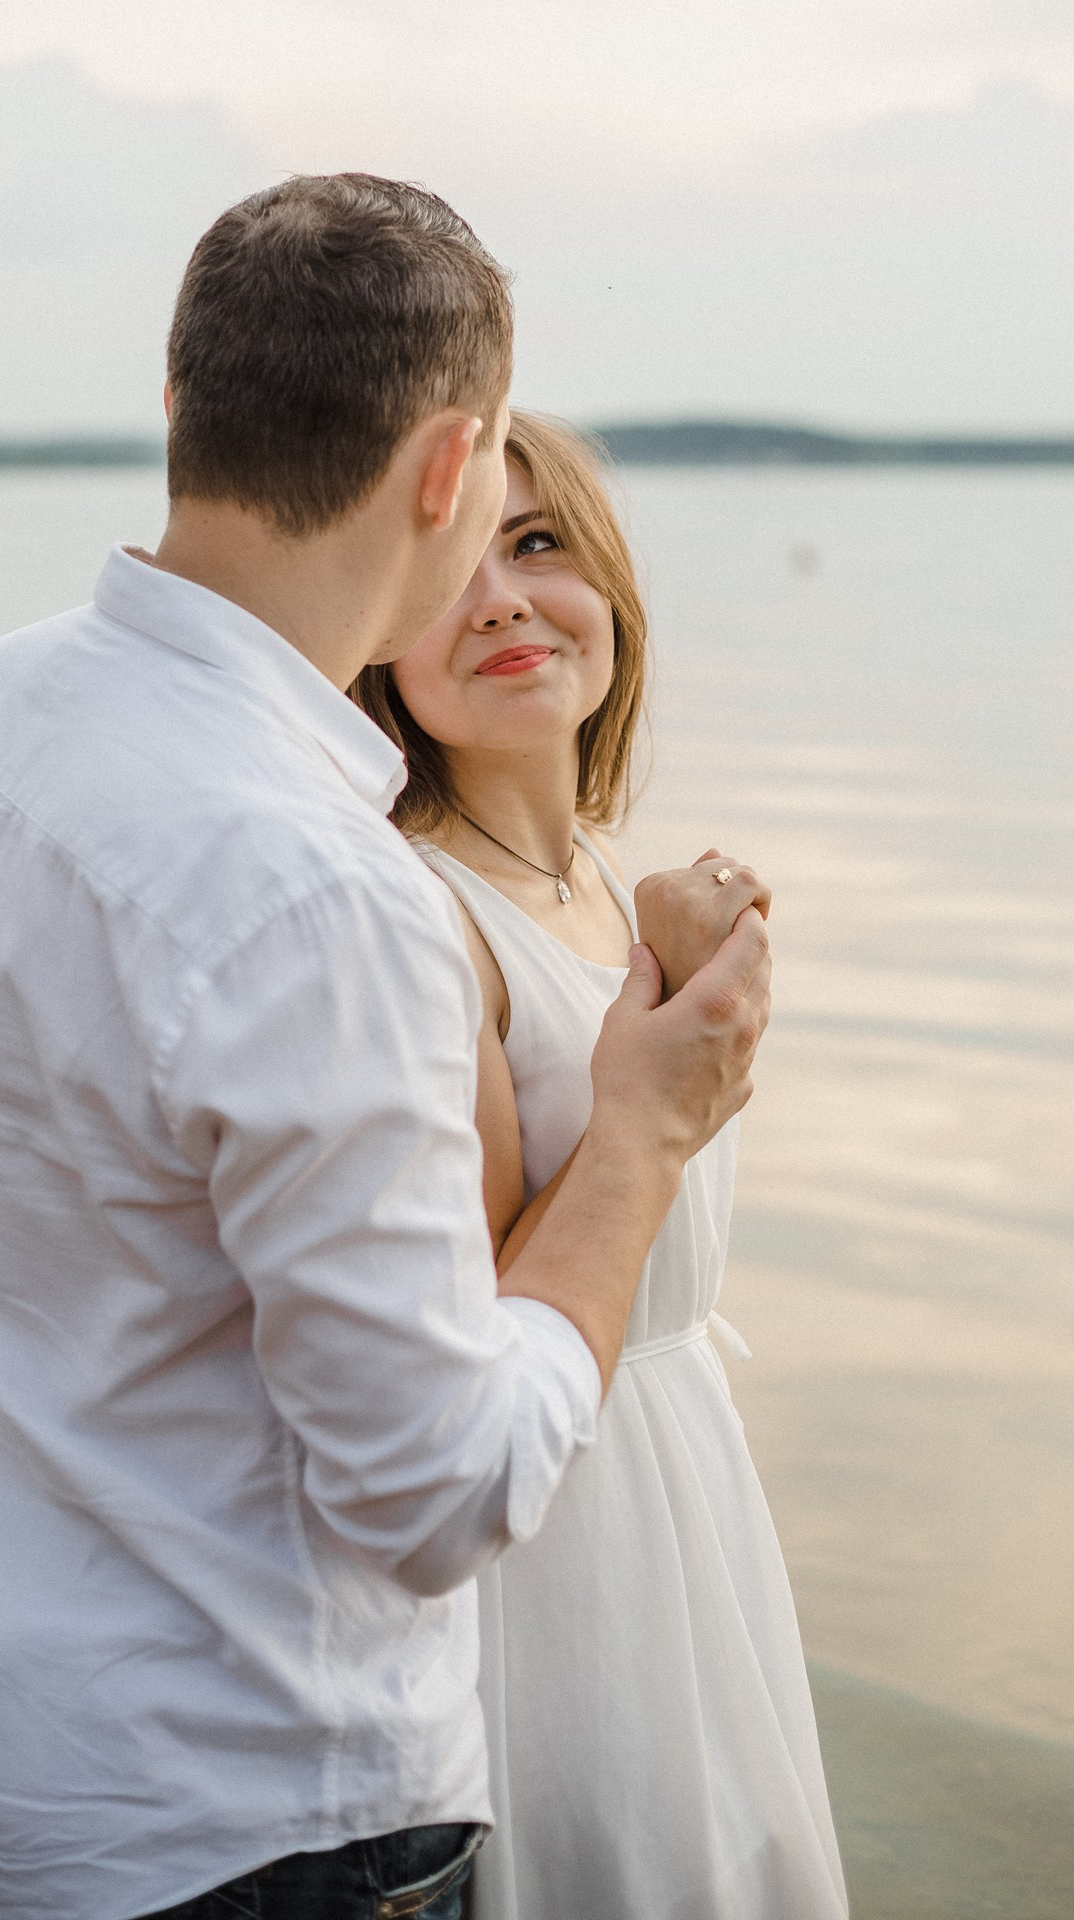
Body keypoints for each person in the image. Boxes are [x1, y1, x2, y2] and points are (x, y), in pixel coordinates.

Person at [0, 178, 769, 1920]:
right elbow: (441, 1483)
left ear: (184, 412)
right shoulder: (317, 889)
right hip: (257, 1815)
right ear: (451, 469)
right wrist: (646, 1133)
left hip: (10, 1765)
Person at [352, 411, 848, 1919]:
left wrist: (685, 978)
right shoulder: (421, 916)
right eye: (449, 570)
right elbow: (480, 1316)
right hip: (550, 1519)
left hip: (680, 1464)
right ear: (373, 647)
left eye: (541, 542)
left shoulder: (607, 882)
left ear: (611, 586)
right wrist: (653, 1084)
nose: (500, 597)